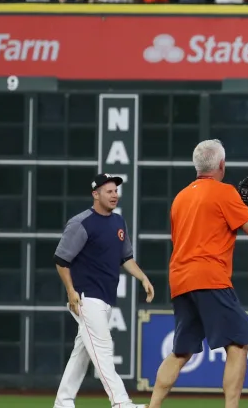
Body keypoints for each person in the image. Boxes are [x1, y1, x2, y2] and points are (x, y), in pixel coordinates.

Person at [147, 140, 248, 408]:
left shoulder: (180, 197)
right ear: (221, 165)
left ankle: (153, 405)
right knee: (238, 342)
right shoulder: (223, 192)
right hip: (210, 276)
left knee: (181, 351)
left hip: (180, 278)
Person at [53, 174, 154, 408]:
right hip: (86, 298)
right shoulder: (82, 222)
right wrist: (70, 291)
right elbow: (61, 260)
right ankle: (121, 403)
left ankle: (62, 402)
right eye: (108, 191)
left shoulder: (118, 223)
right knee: (103, 349)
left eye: (116, 191)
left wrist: (142, 277)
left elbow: (126, 258)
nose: (114, 195)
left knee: (83, 353)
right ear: (95, 194)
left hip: (105, 298)